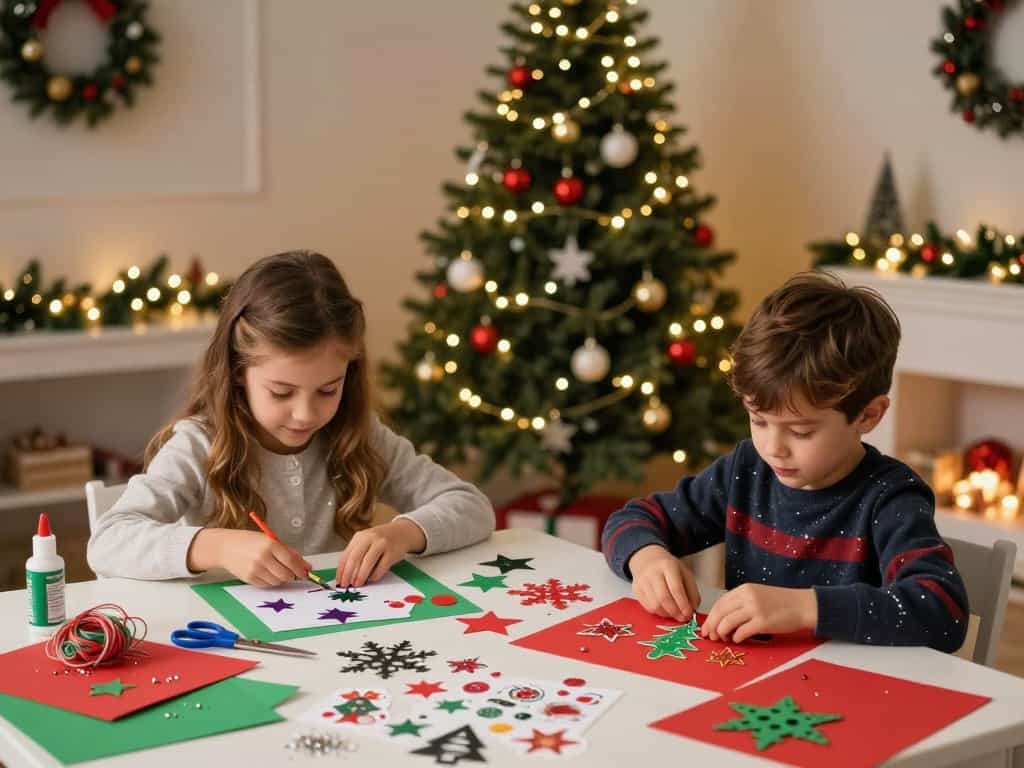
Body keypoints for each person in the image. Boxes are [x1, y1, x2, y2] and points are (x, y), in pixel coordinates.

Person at [601, 271, 968, 652]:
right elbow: (630, 519)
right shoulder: (746, 470)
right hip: (746, 675)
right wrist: (646, 558)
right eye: (758, 420)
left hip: (848, 683)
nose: (773, 448)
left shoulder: (890, 496)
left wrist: (804, 608)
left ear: (868, 415)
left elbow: (943, 612)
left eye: (801, 431)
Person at [88, 250, 494, 587]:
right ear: (238, 372)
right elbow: (107, 541)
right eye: (281, 392)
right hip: (229, 641)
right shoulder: (200, 444)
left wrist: (404, 533)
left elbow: (472, 506)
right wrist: (217, 547)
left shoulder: (359, 433)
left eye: (328, 390)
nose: (305, 414)